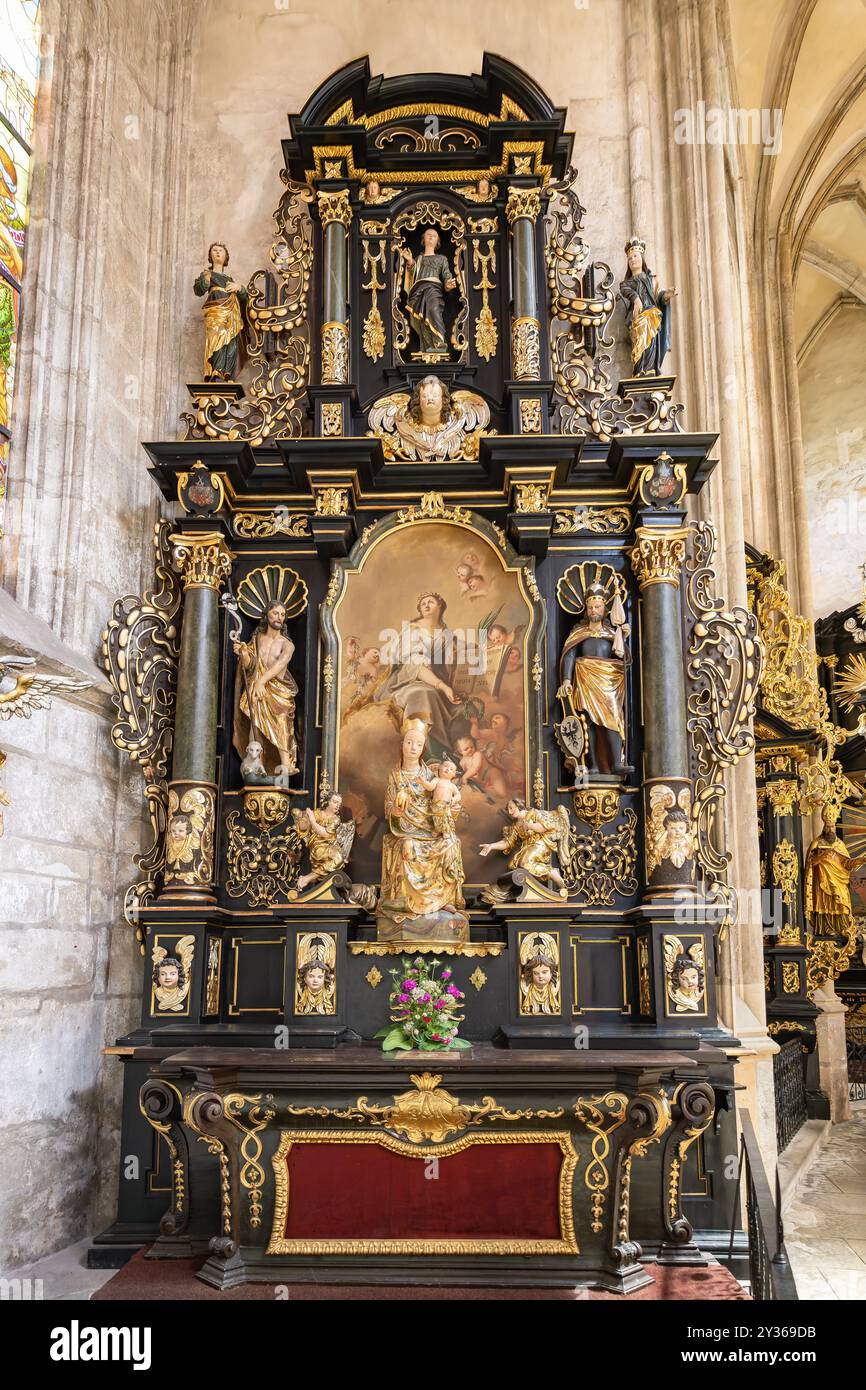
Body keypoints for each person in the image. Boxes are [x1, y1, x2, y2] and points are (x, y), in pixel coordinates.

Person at [378, 718, 466, 936]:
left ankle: (442, 899)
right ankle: (407, 902)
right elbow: (388, 806)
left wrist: (451, 810)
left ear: (423, 748)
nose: (413, 748)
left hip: (429, 828)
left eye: (418, 744)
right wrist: (396, 809)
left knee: (451, 844)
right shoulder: (395, 776)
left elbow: (442, 801)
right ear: (402, 745)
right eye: (409, 743)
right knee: (408, 848)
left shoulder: (431, 774)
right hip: (405, 829)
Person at [232, 599, 298, 776]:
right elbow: (250, 665)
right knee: (256, 725)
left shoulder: (287, 644)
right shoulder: (256, 639)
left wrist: (261, 682)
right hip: (257, 689)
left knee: (282, 721)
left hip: (279, 691)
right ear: (267, 615)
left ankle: (285, 766)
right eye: (276, 613)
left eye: (283, 614)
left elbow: (280, 664)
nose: (279, 617)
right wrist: (244, 653)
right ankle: (256, 766)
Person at [619, 236, 676, 377]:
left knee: (650, 323)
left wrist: (667, 295)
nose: (632, 260)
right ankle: (640, 368)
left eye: (635, 256)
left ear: (642, 258)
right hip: (637, 318)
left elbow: (659, 297)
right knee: (642, 330)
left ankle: (650, 368)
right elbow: (626, 291)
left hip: (652, 317)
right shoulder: (626, 283)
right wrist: (636, 299)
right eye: (630, 258)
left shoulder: (653, 280)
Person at [805, 807, 866, 935]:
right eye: (828, 827)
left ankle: (842, 928)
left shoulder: (840, 845)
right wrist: (821, 856)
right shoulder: (817, 843)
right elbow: (811, 864)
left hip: (839, 880)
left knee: (842, 901)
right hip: (822, 880)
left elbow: (846, 864)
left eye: (832, 827)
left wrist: (859, 860)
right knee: (825, 904)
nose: (830, 830)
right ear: (824, 828)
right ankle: (826, 929)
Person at [193, 242, 247, 380]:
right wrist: (205, 280)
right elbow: (199, 290)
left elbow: (245, 298)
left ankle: (227, 372)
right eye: (215, 250)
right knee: (216, 337)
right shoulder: (207, 274)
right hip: (215, 311)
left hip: (232, 312)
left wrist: (239, 288)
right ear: (210, 256)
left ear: (226, 256)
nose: (217, 253)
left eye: (221, 251)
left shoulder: (230, 280)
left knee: (231, 340)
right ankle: (215, 370)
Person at [401, 226, 457, 356]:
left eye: (434, 235)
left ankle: (439, 343)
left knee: (433, 311)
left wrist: (448, 284)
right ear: (423, 239)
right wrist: (409, 261)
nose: (431, 236)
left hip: (434, 289)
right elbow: (412, 274)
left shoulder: (441, 259)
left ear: (437, 241)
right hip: (418, 291)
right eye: (428, 235)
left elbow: (446, 275)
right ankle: (426, 346)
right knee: (422, 319)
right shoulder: (419, 259)